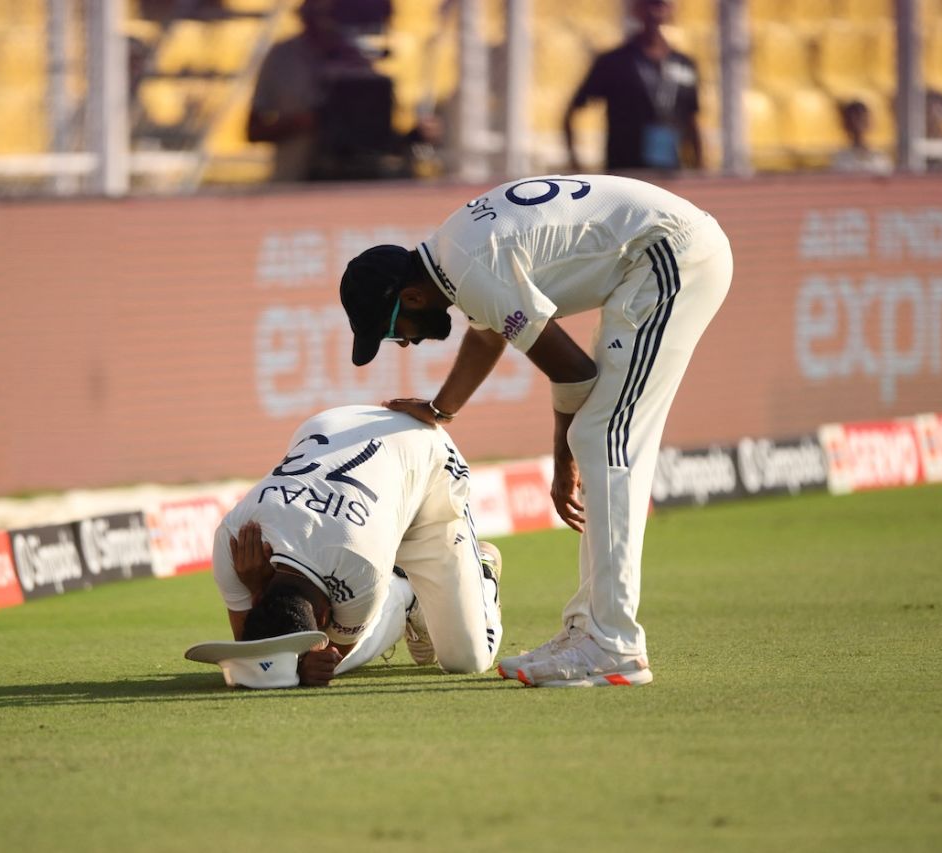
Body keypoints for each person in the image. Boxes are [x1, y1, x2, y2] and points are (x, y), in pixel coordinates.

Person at [338, 174, 733, 688]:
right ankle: (588, 629)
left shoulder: (470, 269)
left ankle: (612, 643)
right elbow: (487, 337)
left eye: (393, 332)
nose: (404, 345)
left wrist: (562, 463)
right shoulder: (454, 256)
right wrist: (441, 408)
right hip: (662, 253)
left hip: (671, 256)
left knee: (602, 436)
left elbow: (573, 371)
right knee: (600, 434)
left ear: (413, 298)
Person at [212, 404, 503, 687]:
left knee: (468, 661)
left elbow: (330, 658)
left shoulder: (362, 567)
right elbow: (250, 648)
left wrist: (305, 666)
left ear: (325, 616)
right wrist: (256, 593)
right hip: (334, 426)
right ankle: (405, 595)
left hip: (427, 466)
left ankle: (469, 576)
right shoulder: (232, 542)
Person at [247, 0, 433, 182]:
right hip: (294, 180)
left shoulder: (364, 59)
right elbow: (253, 131)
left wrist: (415, 135)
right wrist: (306, 122)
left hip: (357, 182)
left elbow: (378, 137)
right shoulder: (283, 57)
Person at [564, 0, 702, 174]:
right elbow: (572, 112)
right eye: (649, 3)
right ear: (636, 8)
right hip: (625, 171)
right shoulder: (614, 62)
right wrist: (576, 162)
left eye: (661, 4)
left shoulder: (684, 64)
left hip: (670, 170)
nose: (655, 11)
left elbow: (692, 119)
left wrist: (699, 167)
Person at [829, 100, 892, 175]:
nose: (857, 124)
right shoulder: (841, 159)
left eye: (861, 119)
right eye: (854, 119)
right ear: (846, 124)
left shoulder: (879, 158)